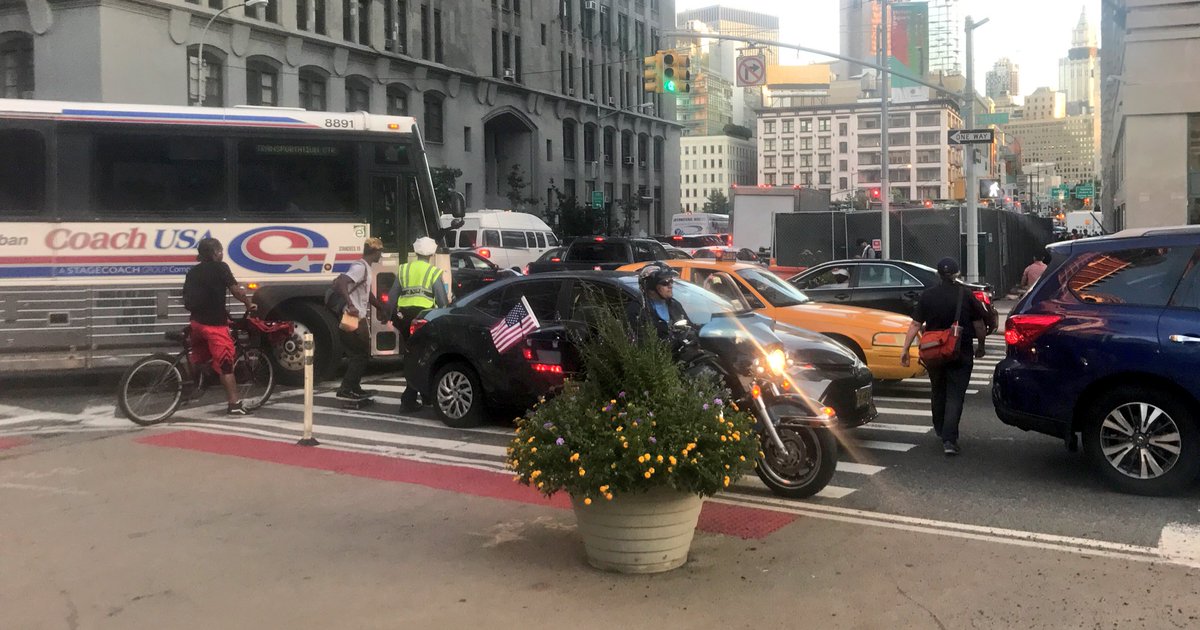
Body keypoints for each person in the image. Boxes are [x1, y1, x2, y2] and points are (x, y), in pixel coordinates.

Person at [900, 257, 988, 456]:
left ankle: (940, 428)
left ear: (938, 274)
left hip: (934, 352)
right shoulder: (965, 294)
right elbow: (979, 325)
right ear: (957, 274)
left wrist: (905, 349)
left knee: (938, 390)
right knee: (955, 395)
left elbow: (915, 324)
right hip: (960, 351)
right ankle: (949, 439)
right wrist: (981, 346)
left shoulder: (928, 295)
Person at [182, 237, 258, 415]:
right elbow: (236, 290)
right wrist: (248, 303)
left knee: (200, 357)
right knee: (226, 365)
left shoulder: (193, 272)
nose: (222, 254)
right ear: (216, 252)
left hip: (196, 323)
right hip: (214, 325)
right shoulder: (221, 267)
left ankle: (199, 383)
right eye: (221, 251)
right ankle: (234, 405)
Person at [390, 236, 449, 412]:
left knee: (413, 356)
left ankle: (424, 396)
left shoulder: (404, 269)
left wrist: (390, 315)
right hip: (423, 319)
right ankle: (409, 399)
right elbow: (442, 301)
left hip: (404, 319)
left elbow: (392, 297)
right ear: (432, 254)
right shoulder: (433, 272)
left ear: (415, 252)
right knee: (422, 358)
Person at [333, 238, 388, 402]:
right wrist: (351, 304)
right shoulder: (360, 267)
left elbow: (366, 292)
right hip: (352, 317)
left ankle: (354, 387)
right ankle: (346, 389)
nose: (381, 255)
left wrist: (379, 307)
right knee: (359, 355)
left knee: (361, 353)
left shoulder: (366, 268)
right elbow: (342, 282)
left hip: (359, 317)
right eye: (380, 252)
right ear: (374, 252)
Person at [627, 262, 692, 340]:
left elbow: (690, 328)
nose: (670, 285)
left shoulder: (674, 305)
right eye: (665, 282)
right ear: (651, 287)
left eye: (671, 281)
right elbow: (642, 341)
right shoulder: (638, 309)